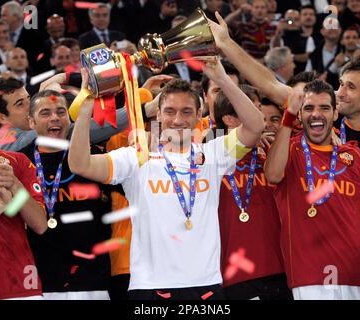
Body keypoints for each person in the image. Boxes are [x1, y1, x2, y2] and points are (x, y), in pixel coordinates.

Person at [68, 62, 264, 299]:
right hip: (150, 286)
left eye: (186, 111)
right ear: (158, 114)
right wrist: (87, 105)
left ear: (198, 114)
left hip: (206, 284)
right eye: (170, 111)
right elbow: (80, 164)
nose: (177, 119)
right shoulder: (136, 158)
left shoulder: (213, 154)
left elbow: (256, 126)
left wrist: (222, 80)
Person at [265, 79, 360, 300]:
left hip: (356, 276)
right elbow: (273, 174)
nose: (316, 114)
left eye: (324, 108)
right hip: (310, 277)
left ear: (335, 114)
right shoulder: (290, 149)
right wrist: (288, 117)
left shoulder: (355, 157)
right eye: (308, 108)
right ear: (300, 115)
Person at [19, 89, 112, 300]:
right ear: (31, 122)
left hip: (92, 279)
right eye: (45, 113)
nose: (55, 118)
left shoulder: (92, 157)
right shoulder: (19, 163)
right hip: (38, 280)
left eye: (61, 112)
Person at [215, 87, 292, 300]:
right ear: (229, 119)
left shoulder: (271, 154)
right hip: (234, 277)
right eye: (253, 111)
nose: (262, 120)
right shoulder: (208, 157)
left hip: (281, 271)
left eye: (260, 110)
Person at [0, 75, 156, 152]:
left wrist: (66, 76)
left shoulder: (26, 132)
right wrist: (145, 109)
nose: (31, 106)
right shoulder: (3, 145)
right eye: (20, 104)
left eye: (29, 99)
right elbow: (82, 130)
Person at [0, 91, 47, 299]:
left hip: (20, 287)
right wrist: (0, 206)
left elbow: (40, 225)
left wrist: (15, 184)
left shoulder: (18, 162)